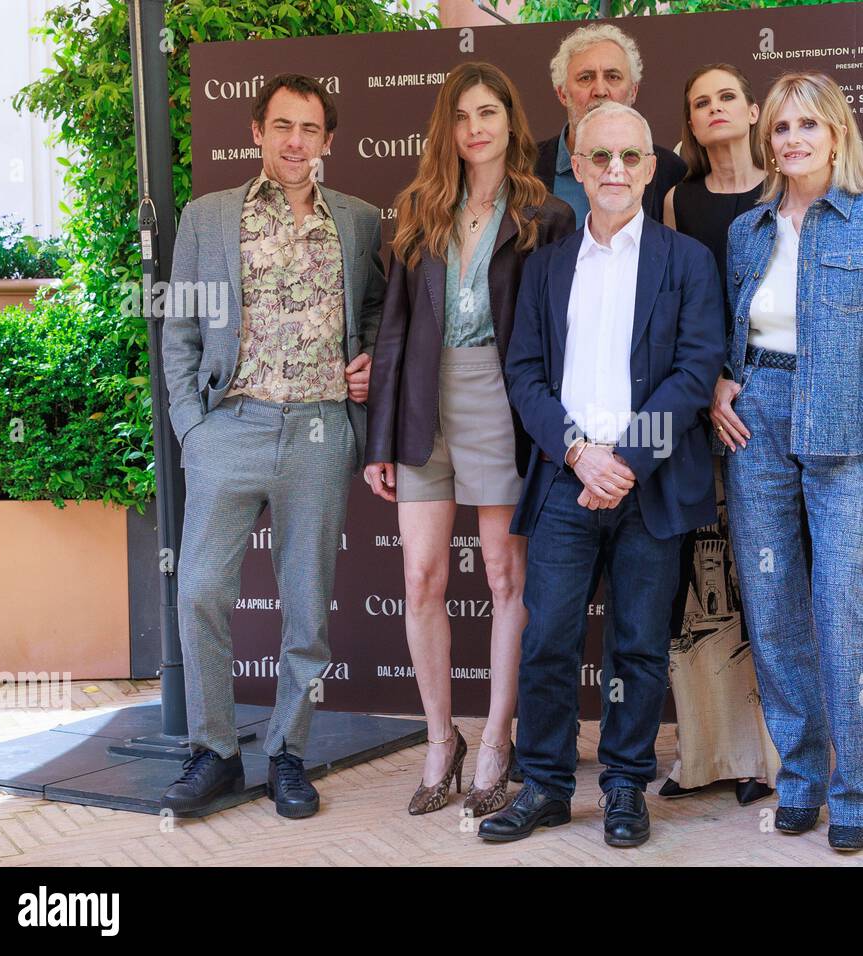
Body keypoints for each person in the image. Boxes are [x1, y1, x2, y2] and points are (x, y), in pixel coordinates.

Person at [478, 102, 724, 848]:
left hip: (648, 485)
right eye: (599, 157)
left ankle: (623, 784)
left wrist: (623, 460)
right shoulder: (546, 264)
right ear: (577, 167)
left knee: (639, 644)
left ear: (650, 169)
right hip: (563, 481)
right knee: (548, 636)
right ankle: (546, 786)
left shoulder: (688, 262)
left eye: (630, 157)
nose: (615, 170)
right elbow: (523, 374)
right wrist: (580, 452)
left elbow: (695, 369)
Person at [160, 73, 386, 819]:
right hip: (230, 425)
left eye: (310, 129)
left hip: (321, 431)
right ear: (257, 130)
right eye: (282, 126)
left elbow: (382, 313)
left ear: (328, 140)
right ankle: (215, 751)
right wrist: (192, 429)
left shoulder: (356, 221)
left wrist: (372, 359)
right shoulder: (208, 217)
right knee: (199, 591)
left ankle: (287, 751)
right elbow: (181, 330)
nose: (295, 142)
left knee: (307, 610)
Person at [363, 62, 574, 818]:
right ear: (444, 129)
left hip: (502, 399)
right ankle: (439, 739)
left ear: (510, 122)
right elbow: (393, 333)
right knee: (421, 578)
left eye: (487, 113)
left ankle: (495, 739)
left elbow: (557, 334)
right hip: (425, 403)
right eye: (461, 116)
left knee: (503, 578)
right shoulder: (418, 208)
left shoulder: (543, 215)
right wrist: (379, 439)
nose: (474, 128)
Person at [715, 71, 863, 852]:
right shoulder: (747, 230)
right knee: (772, 611)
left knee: (844, 615)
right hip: (756, 423)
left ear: (837, 135)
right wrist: (718, 388)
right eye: (783, 128)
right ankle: (798, 778)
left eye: (809, 126)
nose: (793, 139)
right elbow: (729, 336)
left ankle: (855, 790)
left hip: (842, 434)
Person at [658, 63, 777, 807]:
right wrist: (703, 395)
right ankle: (705, 755)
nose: (714, 109)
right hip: (704, 415)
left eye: (726, 96)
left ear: (752, 109)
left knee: (767, 583)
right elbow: (678, 309)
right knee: (704, 596)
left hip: (773, 411)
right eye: (699, 101)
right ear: (691, 124)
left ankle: (767, 757)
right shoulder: (678, 199)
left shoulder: (786, 186)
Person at [536, 23, 686, 228]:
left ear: (633, 91)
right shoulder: (526, 167)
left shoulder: (670, 171)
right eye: (585, 77)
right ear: (562, 93)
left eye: (612, 77)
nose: (600, 90)